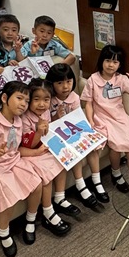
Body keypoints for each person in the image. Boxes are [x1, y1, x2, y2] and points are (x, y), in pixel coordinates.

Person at [0, 81, 45, 257]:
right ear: (4, 98)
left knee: (37, 184)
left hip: (15, 161)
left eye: (26, 101)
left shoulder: (18, 120)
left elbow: (18, 148)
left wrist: (35, 151)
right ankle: (3, 231)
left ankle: (30, 220)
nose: (24, 104)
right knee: (9, 194)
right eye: (19, 98)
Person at [80, 44, 129, 197]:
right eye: (108, 60)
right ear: (102, 61)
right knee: (115, 146)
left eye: (115, 62)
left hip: (119, 117)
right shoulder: (93, 79)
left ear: (119, 64)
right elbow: (88, 103)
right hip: (102, 118)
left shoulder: (121, 79)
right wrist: (90, 121)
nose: (111, 65)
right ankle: (116, 174)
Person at [20, 78, 76, 237]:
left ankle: (59, 197)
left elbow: (50, 129)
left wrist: (56, 117)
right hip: (30, 152)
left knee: (62, 157)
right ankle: (47, 211)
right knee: (46, 174)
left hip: (45, 148)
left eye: (46, 100)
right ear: (29, 100)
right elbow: (28, 144)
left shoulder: (45, 111)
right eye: (36, 99)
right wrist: (38, 131)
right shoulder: (24, 117)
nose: (42, 104)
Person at [46, 63, 100, 210]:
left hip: (71, 132)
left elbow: (77, 118)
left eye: (69, 81)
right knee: (70, 150)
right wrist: (56, 117)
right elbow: (46, 124)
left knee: (88, 146)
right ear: (52, 84)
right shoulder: (49, 100)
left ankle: (91, 182)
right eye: (60, 83)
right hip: (54, 135)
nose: (65, 87)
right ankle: (80, 186)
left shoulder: (74, 97)